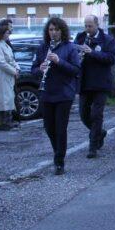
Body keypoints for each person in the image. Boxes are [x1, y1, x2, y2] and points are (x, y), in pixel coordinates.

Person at [32, 18, 81, 175]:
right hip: (47, 92)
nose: (53, 33)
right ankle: (57, 151)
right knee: (49, 128)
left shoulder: (70, 48)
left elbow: (76, 70)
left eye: (57, 30)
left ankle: (59, 161)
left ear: (62, 31)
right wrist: (40, 69)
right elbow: (33, 70)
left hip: (64, 93)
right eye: (51, 30)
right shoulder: (42, 48)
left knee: (60, 128)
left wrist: (59, 61)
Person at [74, 15, 115, 159]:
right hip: (85, 82)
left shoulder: (108, 39)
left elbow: (111, 58)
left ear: (97, 25)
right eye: (85, 26)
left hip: (101, 83)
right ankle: (100, 132)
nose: (87, 29)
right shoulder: (80, 37)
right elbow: (73, 52)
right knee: (83, 114)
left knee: (96, 115)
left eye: (90, 26)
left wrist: (92, 53)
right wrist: (78, 54)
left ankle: (93, 146)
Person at [0, 23, 19, 131]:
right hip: (1, 75)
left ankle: (8, 121)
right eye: (7, 33)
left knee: (9, 98)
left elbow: (12, 60)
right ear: (1, 34)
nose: (8, 34)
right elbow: (1, 63)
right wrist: (14, 71)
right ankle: (0, 123)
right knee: (2, 99)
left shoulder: (5, 45)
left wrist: (17, 68)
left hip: (7, 74)